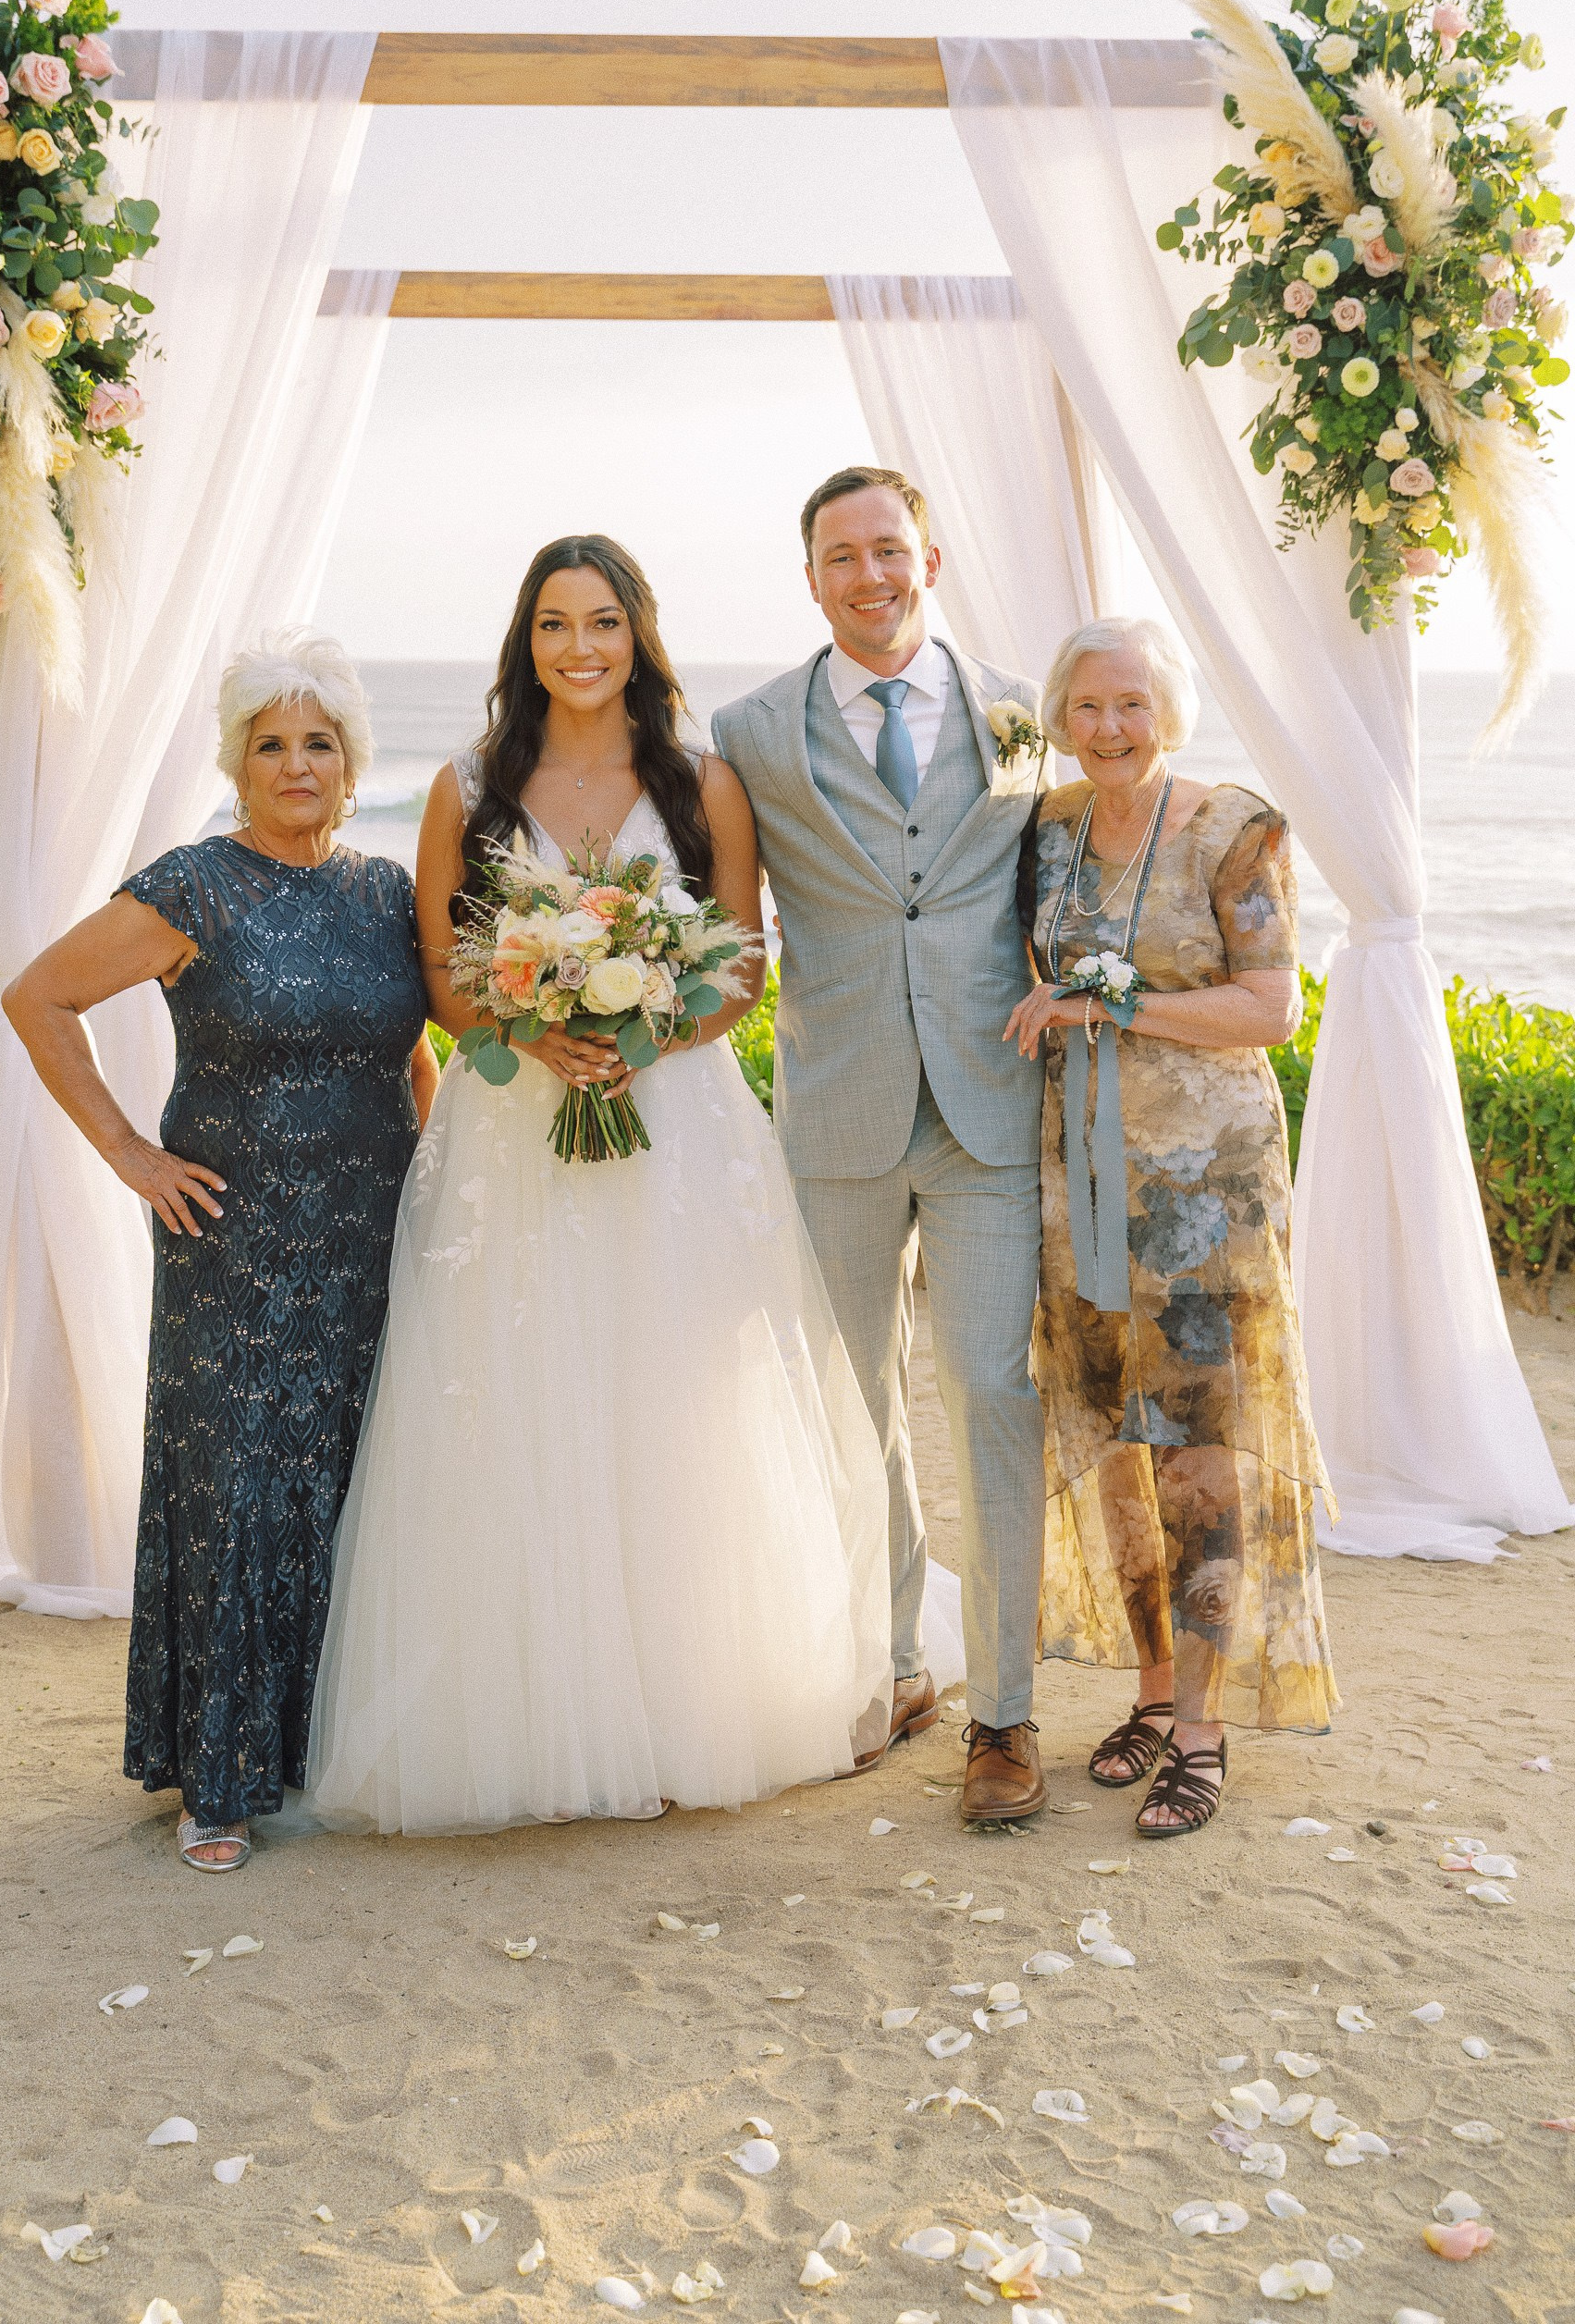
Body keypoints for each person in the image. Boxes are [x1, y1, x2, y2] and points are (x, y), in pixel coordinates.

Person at [295, 535, 892, 1835]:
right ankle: (535, 1709)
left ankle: (690, 1698)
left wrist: (645, 1038)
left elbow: (740, 967)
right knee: (521, 1392)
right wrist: (532, 1035)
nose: (581, 648)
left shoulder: (702, 785)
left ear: (639, 634)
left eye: (604, 622)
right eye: (557, 624)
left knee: (672, 1395)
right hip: (514, 1128)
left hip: (674, 1123)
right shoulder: (469, 786)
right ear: (527, 640)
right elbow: (447, 980)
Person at [1, 629, 436, 1870]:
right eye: (271, 745)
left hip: (369, 1235)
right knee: (241, 1487)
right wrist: (133, 1155)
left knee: (358, 1482)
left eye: (319, 743)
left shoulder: (386, 893)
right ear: (238, 762)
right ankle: (221, 1781)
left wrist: (447, 1187)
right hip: (233, 1243)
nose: (297, 764)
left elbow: (409, 1054)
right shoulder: (192, 887)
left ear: (352, 763)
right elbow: (37, 997)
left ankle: (327, 1751)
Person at [713, 467, 1052, 1824]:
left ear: (933, 558)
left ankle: (1007, 1713)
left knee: (988, 1392)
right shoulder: (747, 731)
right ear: (809, 577)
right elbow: (721, 916)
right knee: (852, 1409)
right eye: (842, 555)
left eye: (891, 549)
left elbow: (1064, 876)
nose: (871, 574)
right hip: (837, 1108)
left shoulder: (1023, 716)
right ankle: (892, 1666)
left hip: (987, 1105)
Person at [1005, 617, 1336, 1838]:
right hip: (1074, 1187)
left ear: (1172, 709)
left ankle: (1201, 1725)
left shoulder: (1234, 830)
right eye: (1087, 706)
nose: (1108, 728)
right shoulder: (1043, 831)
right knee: (1117, 1448)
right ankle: (1148, 1690)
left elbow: (1269, 1009)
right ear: (1059, 715)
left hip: (1203, 1194)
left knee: (1202, 1453)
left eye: (1131, 705)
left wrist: (1118, 1001)